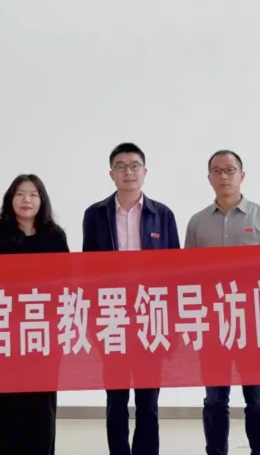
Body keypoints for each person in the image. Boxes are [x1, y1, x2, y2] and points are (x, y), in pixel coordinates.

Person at [81, 142, 179, 455]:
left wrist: (171, 323)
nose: (128, 172)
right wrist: (93, 322)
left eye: (134, 166)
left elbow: (175, 273)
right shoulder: (95, 215)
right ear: (111, 174)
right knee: (116, 399)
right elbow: (88, 271)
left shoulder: (162, 215)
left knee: (148, 401)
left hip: (151, 317)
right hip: (113, 317)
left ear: (144, 172)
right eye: (121, 167)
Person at [184, 150, 260, 455]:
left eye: (230, 170)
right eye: (217, 171)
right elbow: (188, 277)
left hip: (254, 325)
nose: (224, 176)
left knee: (257, 399)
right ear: (209, 178)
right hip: (213, 326)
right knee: (215, 399)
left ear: (242, 175)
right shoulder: (197, 223)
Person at [0, 174, 70, 455]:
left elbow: (66, 284)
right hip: (6, 335)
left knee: (42, 408)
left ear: (42, 200)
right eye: (20, 194)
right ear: (11, 199)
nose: (26, 200)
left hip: (44, 336)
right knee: (9, 408)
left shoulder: (55, 237)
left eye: (33, 194)